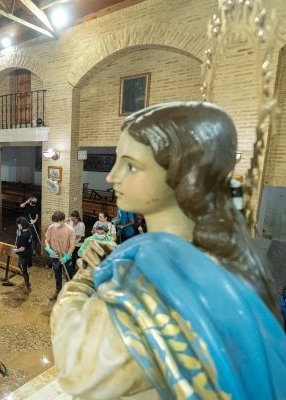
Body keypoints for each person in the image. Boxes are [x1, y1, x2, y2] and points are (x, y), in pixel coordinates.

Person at [51, 102, 286, 399]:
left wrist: (85, 277)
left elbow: (77, 367)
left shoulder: (148, 277)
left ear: (182, 174)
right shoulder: (228, 255)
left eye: (131, 165)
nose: (112, 177)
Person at [44, 211, 75, 301]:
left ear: (62, 220)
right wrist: (48, 248)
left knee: (68, 274)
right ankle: (58, 290)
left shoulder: (70, 230)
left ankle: (69, 292)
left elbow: (72, 245)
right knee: (57, 274)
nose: (55, 224)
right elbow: (47, 239)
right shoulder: (51, 227)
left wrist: (67, 256)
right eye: (54, 222)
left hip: (66, 256)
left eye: (57, 222)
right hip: (55, 256)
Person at [14, 217, 32, 291]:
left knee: (23, 269)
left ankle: (27, 284)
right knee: (20, 265)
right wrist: (19, 233)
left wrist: (16, 250)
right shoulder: (29, 230)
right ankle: (26, 280)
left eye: (18, 224)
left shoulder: (24, 235)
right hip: (27, 252)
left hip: (24, 254)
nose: (17, 226)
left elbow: (22, 248)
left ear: (21, 225)